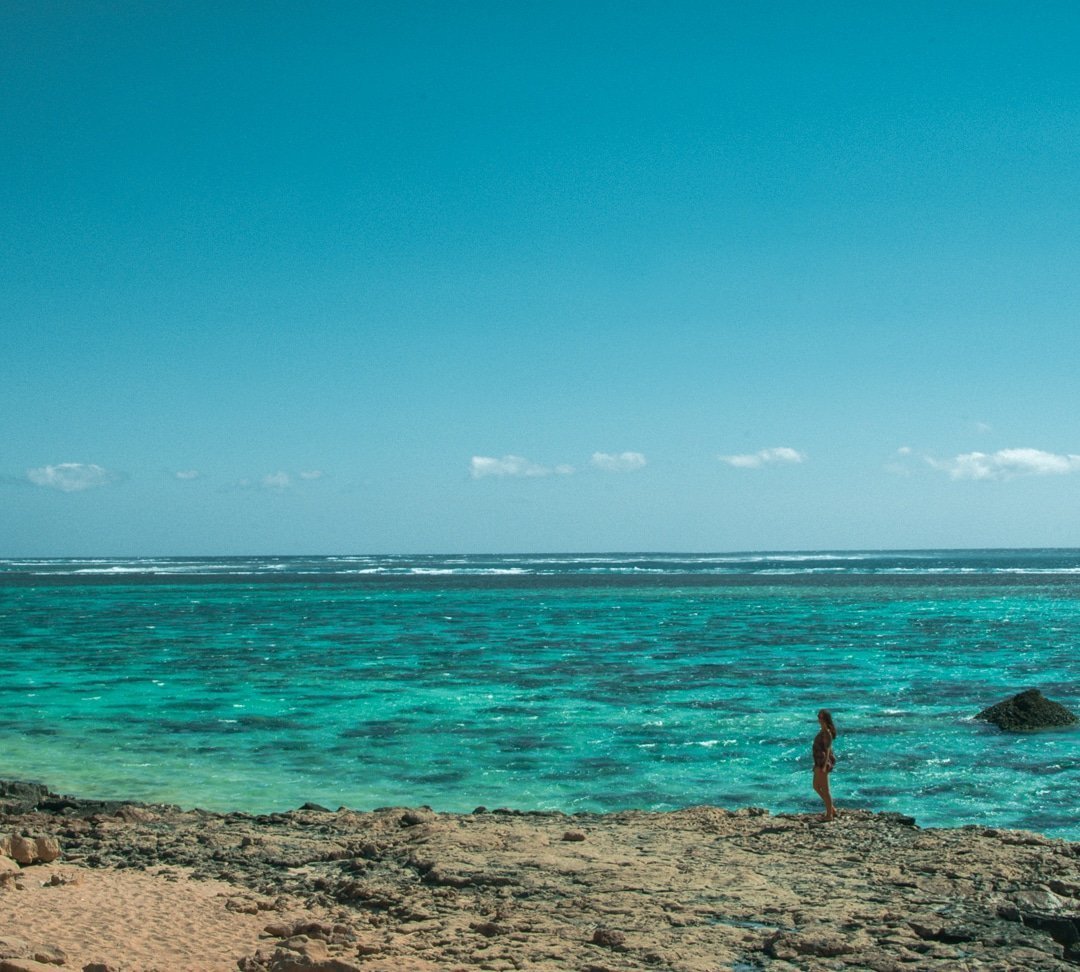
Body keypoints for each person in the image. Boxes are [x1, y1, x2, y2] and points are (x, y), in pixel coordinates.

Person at [812, 708, 837, 821]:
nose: (819, 719)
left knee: (825, 790)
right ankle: (831, 809)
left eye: (821, 718)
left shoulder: (826, 732)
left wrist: (824, 766)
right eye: (818, 717)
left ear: (826, 719)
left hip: (823, 763)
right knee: (816, 786)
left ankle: (829, 815)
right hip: (818, 762)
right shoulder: (822, 731)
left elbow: (827, 750)